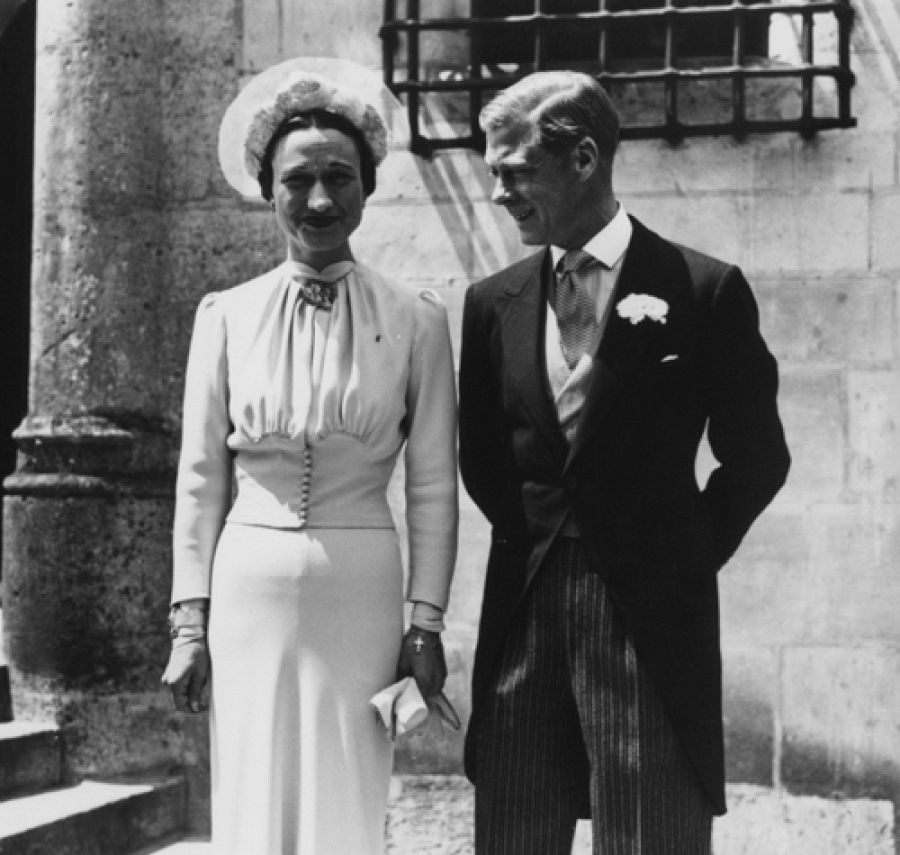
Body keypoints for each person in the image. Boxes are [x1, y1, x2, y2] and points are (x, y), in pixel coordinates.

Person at [459, 70, 790, 855]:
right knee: (514, 824)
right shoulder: (489, 303)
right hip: (525, 609)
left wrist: (681, 551)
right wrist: (538, 537)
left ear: (583, 159)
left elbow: (758, 457)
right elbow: (482, 457)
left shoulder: (702, 290)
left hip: (649, 613)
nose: (500, 193)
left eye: (514, 172)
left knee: (653, 833)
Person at [160, 64, 458, 855]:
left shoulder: (417, 319)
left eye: (340, 178)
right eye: (298, 180)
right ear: (267, 188)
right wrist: (190, 622)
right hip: (246, 579)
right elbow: (199, 478)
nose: (320, 200)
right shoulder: (223, 316)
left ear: (366, 187)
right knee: (251, 777)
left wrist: (425, 622)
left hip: (360, 585)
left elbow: (431, 484)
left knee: (347, 780)